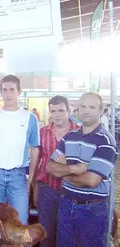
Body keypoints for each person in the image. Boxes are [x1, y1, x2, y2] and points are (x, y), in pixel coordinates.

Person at [47, 92, 117, 247]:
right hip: (66, 203)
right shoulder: (70, 136)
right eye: (83, 106)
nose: (86, 111)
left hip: (93, 208)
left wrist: (64, 173)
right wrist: (75, 168)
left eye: (92, 107)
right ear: (77, 109)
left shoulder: (105, 140)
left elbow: (92, 180)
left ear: (101, 110)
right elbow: (50, 166)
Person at [0, 74, 40, 225]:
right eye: (5, 90)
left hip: (18, 175)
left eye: (12, 89)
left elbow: (35, 150)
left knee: (21, 221)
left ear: (19, 91)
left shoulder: (30, 118)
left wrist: (30, 180)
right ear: (1, 92)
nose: (8, 94)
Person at [33, 96, 78, 247]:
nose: (57, 114)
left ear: (69, 111)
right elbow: (36, 162)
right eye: (53, 111)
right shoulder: (41, 133)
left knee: (68, 232)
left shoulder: (79, 133)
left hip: (72, 190)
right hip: (47, 188)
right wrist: (35, 187)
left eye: (61, 110)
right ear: (49, 112)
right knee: (46, 232)